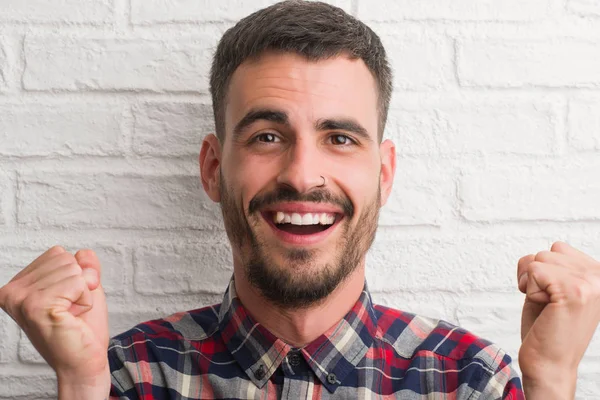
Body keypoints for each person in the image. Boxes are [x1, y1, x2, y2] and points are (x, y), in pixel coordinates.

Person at [1, 1, 599, 399]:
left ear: (384, 174)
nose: (302, 173)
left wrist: (551, 380)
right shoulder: (125, 377)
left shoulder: (472, 381)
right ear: (213, 168)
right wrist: (80, 385)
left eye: (339, 138)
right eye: (267, 136)